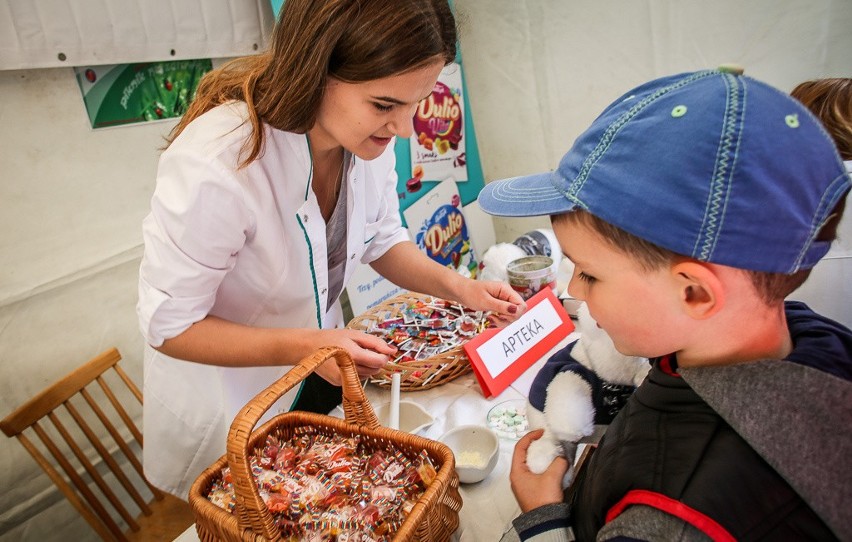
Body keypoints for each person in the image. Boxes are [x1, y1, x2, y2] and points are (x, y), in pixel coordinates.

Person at [137, 0, 525, 500]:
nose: (404, 129)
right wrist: (307, 345)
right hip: (228, 398)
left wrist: (462, 289)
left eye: (418, 103)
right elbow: (170, 327)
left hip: (311, 370)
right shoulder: (217, 163)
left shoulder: (364, 142)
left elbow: (383, 240)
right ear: (313, 70)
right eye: (384, 106)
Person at [478, 67, 852, 540]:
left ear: (694, 292)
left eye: (590, 272)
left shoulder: (668, 523)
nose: (574, 289)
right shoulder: (804, 332)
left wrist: (543, 519)